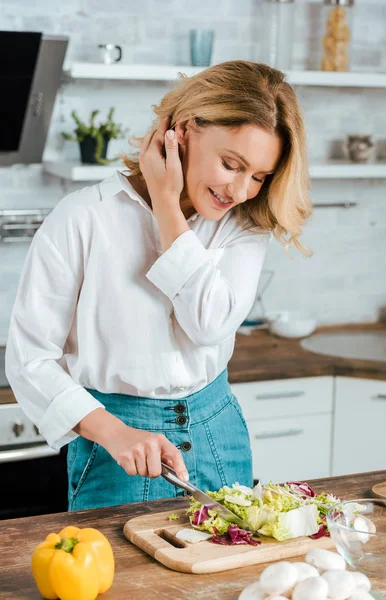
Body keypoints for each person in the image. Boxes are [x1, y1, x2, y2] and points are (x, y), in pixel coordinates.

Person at [5, 60, 312, 511]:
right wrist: (114, 432)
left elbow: (208, 325)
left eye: (259, 177)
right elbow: (30, 359)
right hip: (118, 443)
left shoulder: (245, 226)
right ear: (183, 131)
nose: (242, 190)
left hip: (218, 430)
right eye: (231, 164)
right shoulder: (83, 217)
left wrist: (167, 203)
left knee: (227, 577)